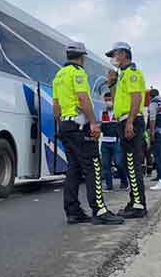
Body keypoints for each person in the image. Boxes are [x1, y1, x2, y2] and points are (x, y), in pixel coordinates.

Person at [52, 41, 124, 225]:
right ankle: (99, 211)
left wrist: (61, 125)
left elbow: (56, 106)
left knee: (73, 170)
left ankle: (73, 211)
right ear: (82, 57)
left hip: (66, 127)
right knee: (93, 167)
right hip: (79, 126)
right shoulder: (78, 73)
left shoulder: (58, 76)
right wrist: (93, 122)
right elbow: (83, 99)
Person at [106, 42, 148, 218]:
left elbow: (136, 97)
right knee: (128, 164)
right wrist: (111, 84)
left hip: (131, 121)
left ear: (123, 54)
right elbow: (117, 102)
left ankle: (138, 206)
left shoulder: (132, 74)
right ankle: (134, 201)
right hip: (124, 121)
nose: (112, 59)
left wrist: (130, 122)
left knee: (132, 164)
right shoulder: (122, 75)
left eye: (114, 55)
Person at [100, 92, 128, 190]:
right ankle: (109, 186)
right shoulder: (102, 113)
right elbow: (100, 126)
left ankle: (124, 182)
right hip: (105, 142)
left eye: (109, 100)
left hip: (116, 142)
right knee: (105, 165)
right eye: (106, 100)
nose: (108, 102)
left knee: (118, 163)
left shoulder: (118, 112)